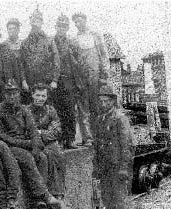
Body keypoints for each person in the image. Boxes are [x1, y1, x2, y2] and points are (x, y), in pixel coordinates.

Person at [0, 80, 70, 209]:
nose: (12, 97)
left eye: (15, 93)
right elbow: (1, 136)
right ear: (4, 95)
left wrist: (35, 146)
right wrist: (27, 144)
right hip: (9, 147)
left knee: (43, 156)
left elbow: (33, 130)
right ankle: (45, 196)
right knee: (28, 158)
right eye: (8, 94)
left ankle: (40, 199)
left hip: (25, 144)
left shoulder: (23, 110)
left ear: (18, 94)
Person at [93, 83, 134, 209]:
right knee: (107, 198)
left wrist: (124, 167)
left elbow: (126, 144)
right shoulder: (99, 119)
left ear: (113, 101)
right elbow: (97, 145)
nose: (103, 104)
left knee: (120, 197)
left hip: (117, 165)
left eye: (106, 101)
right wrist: (95, 166)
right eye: (101, 101)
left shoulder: (120, 118)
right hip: (104, 165)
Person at [26, 83, 69, 209]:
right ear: (32, 95)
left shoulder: (51, 110)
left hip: (47, 141)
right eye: (37, 95)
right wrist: (39, 134)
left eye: (43, 96)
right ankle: (45, 196)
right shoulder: (25, 110)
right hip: (31, 143)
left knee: (58, 154)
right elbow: (26, 131)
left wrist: (40, 133)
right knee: (45, 155)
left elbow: (56, 131)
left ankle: (59, 195)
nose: (40, 98)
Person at [72, 12, 110, 147]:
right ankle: (87, 137)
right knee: (83, 109)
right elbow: (74, 61)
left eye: (80, 21)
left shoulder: (95, 36)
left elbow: (104, 55)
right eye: (75, 22)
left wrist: (104, 75)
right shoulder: (74, 40)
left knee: (98, 107)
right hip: (82, 79)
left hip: (96, 77)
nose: (78, 24)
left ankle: (101, 135)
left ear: (85, 20)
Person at [53, 14, 86, 149]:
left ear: (67, 28)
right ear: (56, 27)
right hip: (55, 82)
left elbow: (80, 62)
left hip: (70, 82)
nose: (62, 29)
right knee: (57, 111)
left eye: (64, 26)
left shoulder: (71, 43)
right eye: (59, 26)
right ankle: (60, 139)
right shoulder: (51, 41)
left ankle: (70, 139)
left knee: (70, 112)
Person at [20, 8, 60, 101]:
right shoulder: (25, 42)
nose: (36, 24)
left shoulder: (49, 41)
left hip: (46, 81)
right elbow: (21, 63)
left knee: (47, 105)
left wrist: (54, 80)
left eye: (38, 20)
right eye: (34, 20)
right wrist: (23, 80)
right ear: (30, 22)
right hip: (30, 82)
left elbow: (56, 61)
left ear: (42, 22)